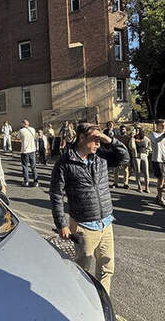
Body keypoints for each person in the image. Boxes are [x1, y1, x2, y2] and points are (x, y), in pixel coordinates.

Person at [49, 123, 130, 294]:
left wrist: (109, 139)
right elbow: (56, 194)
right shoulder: (65, 162)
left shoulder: (101, 156)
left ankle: (102, 302)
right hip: (84, 226)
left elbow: (124, 158)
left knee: (107, 269)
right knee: (81, 271)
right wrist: (61, 224)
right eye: (94, 139)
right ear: (81, 138)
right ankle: (80, 304)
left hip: (106, 223)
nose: (98, 143)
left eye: (99, 139)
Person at [16, 120, 39, 187]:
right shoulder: (33, 129)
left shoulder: (21, 131)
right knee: (33, 166)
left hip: (25, 150)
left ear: (23, 124)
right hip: (32, 150)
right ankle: (36, 181)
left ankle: (26, 181)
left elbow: (18, 137)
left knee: (25, 166)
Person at [113, 125, 133, 189]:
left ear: (125, 130)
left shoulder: (127, 138)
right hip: (117, 155)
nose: (122, 131)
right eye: (121, 129)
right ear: (119, 130)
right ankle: (115, 183)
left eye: (124, 129)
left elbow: (130, 147)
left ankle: (125, 183)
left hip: (125, 156)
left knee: (126, 170)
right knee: (116, 170)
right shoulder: (116, 137)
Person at [133, 126, 151, 193]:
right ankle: (139, 185)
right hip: (136, 155)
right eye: (135, 130)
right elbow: (131, 146)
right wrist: (132, 137)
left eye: (137, 130)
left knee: (146, 171)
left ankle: (147, 186)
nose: (136, 131)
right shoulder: (133, 139)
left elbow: (149, 143)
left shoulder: (144, 138)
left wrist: (147, 151)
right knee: (137, 171)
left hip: (144, 155)